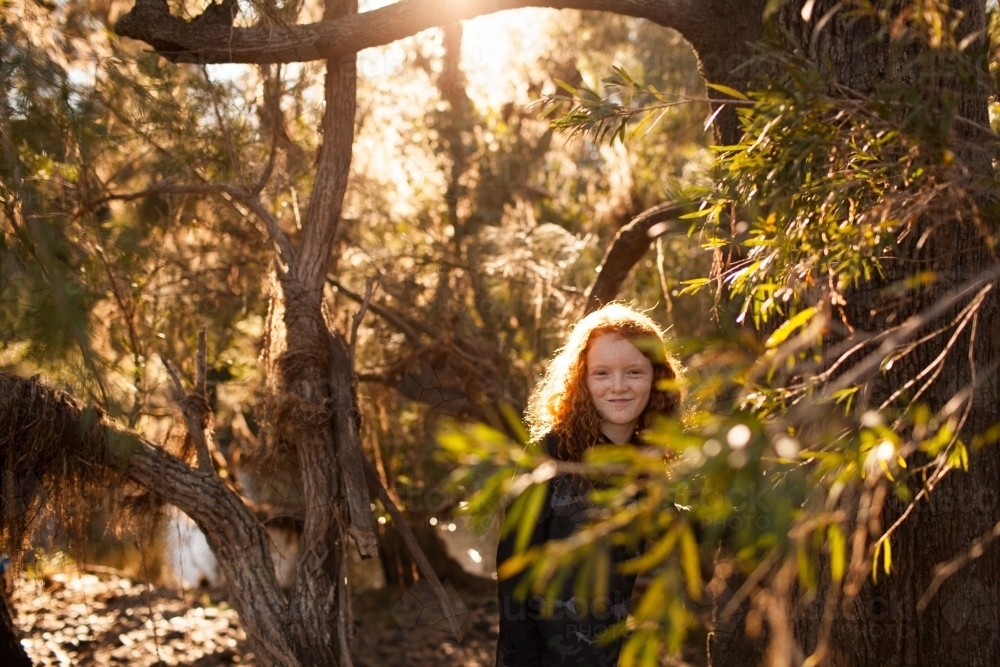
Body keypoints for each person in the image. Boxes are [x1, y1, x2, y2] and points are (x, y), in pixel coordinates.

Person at [496, 302, 682, 667]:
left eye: (634, 372)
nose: (618, 387)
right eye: (601, 373)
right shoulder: (549, 455)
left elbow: (677, 529)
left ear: (657, 377)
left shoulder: (648, 460)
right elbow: (513, 572)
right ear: (581, 379)